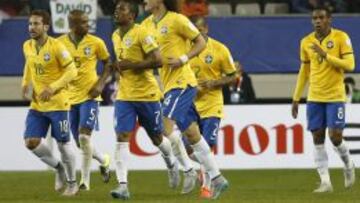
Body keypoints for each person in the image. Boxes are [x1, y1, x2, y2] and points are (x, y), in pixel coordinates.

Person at [142, 0, 228, 199]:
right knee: (192, 135)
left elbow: (201, 42)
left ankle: (186, 169)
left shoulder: (177, 20)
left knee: (164, 127)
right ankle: (217, 178)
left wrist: (183, 59)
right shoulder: (146, 25)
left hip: (183, 82)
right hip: (168, 84)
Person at [108, 0, 178, 200]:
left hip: (147, 95)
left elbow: (158, 60)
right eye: (116, 8)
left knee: (157, 138)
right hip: (125, 96)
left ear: (131, 15)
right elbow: (123, 64)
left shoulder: (141, 33)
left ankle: (171, 162)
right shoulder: (114, 35)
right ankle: (123, 185)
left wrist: (132, 65)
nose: (116, 11)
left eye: (121, 9)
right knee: (121, 136)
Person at [292, 6, 355, 193]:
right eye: (314, 18)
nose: (317, 21)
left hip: (335, 96)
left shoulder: (341, 38)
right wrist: (296, 97)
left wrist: (325, 55)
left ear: (330, 19)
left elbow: (350, 65)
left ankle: (348, 164)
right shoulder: (305, 42)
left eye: (321, 18)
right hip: (314, 97)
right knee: (317, 137)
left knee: (335, 137)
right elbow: (304, 71)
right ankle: (325, 182)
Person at [21, 10, 78, 196]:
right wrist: (25, 84)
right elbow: (29, 65)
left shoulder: (57, 46)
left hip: (58, 104)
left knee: (63, 144)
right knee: (31, 142)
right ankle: (59, 168)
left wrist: (52, 88)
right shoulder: (27, 46)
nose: (32, 27)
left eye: (36, 24)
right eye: (30, 24)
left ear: (46, 26)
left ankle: (72, 183)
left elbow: (72, 71)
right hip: (38, 105)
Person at [181, 15, 237, 198]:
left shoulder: (220, 49)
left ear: (206, 29)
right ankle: (211, 170)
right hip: (190, 104)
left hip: (212, 105)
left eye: (199, 30)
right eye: (193, 30)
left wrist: (214, 83)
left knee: (207, 146)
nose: (196, 34)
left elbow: (232, 76)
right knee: (189, 150)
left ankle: (206, 187)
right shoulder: (185, 49)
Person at [57, 10, 112, 191]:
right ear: (72, 25)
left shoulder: (96, 42)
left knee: (83, 136)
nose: (88, 26)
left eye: (88, 22)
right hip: (69, 99)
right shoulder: (59, 44)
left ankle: (84, 182)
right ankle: (104, 160)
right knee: (81, 143)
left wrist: (100, 85)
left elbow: (108, 64)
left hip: (90, 96)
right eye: (84, 23)